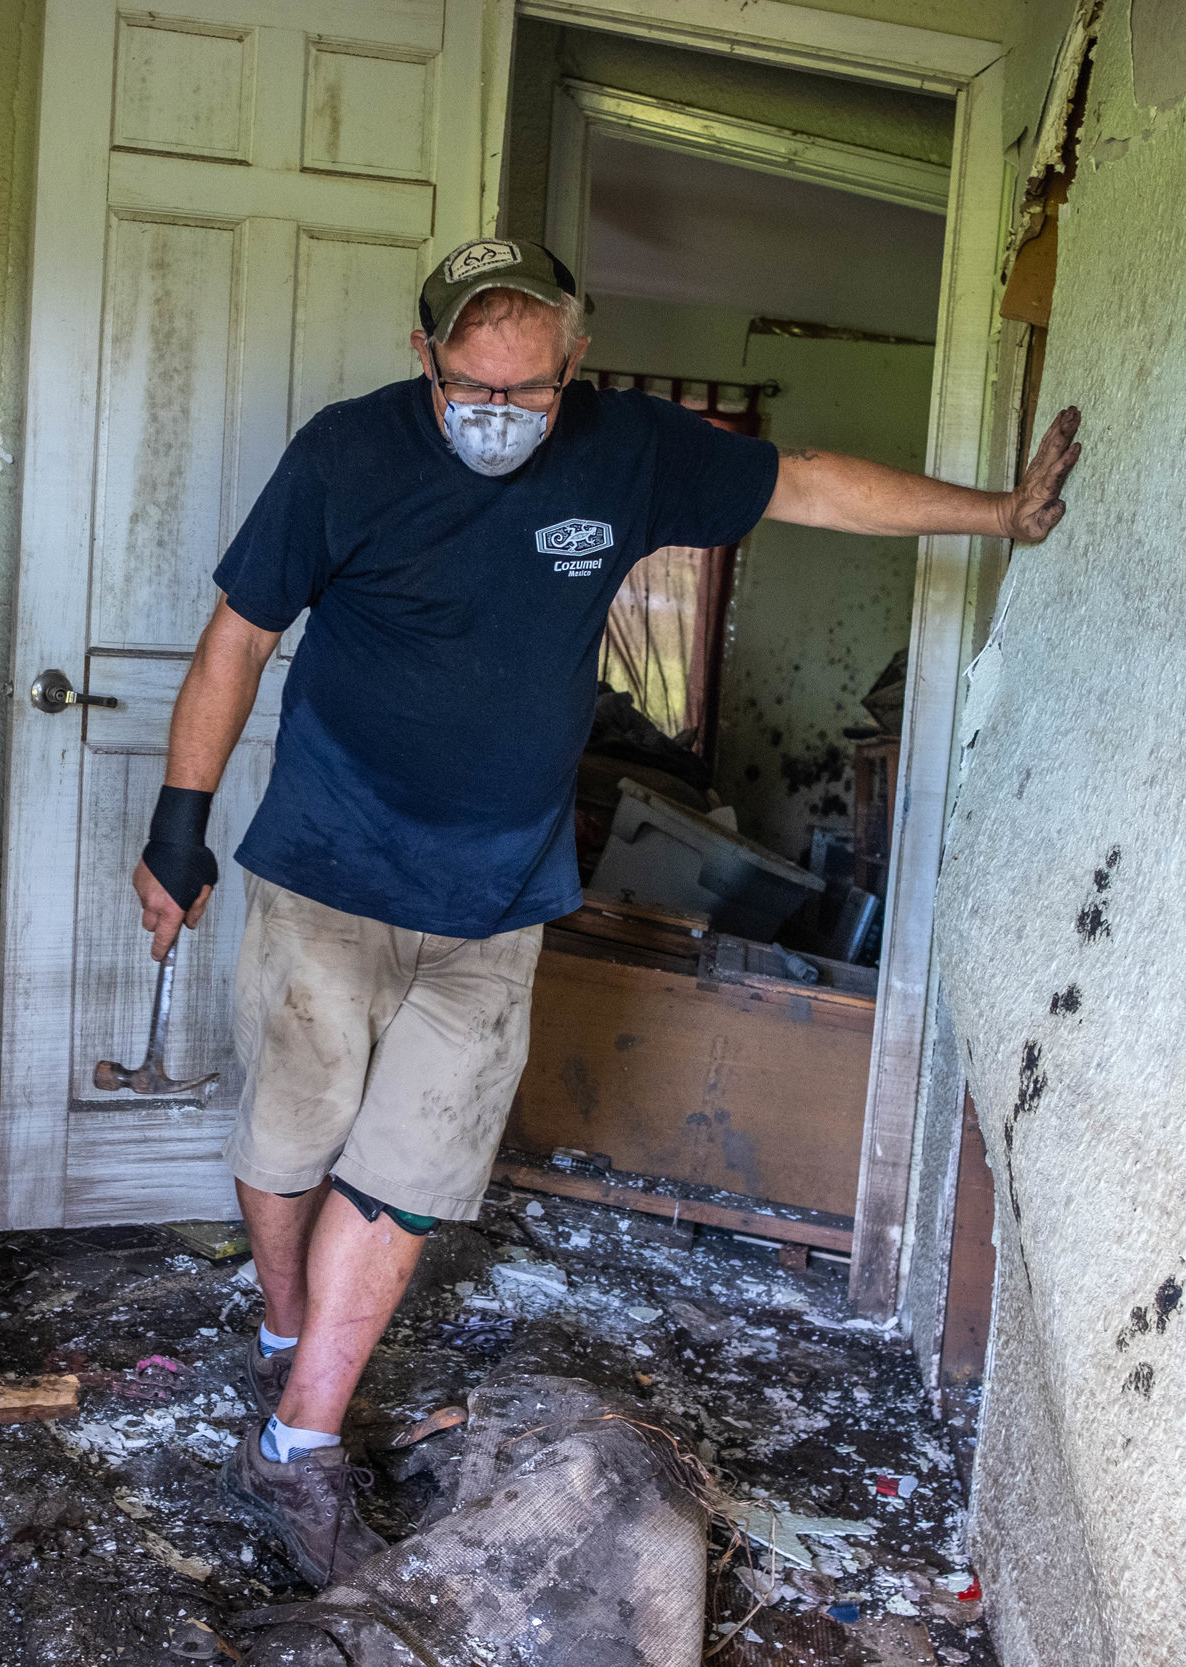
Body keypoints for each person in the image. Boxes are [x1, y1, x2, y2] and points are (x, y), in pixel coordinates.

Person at [130, 237, 1082, 1584]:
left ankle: (300, 1444)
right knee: (292, 1136)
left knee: (409, 1180)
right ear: (426, 360)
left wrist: (1000, 516)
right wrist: (179, 831)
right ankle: (289, 1328)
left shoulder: (627, 451)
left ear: (575, 368)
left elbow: (804, 482)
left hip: (499, 896)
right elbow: (237, 635)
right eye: (472, 386)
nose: (499, 417)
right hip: (326, 871)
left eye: (529, 391)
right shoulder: (345, 457)